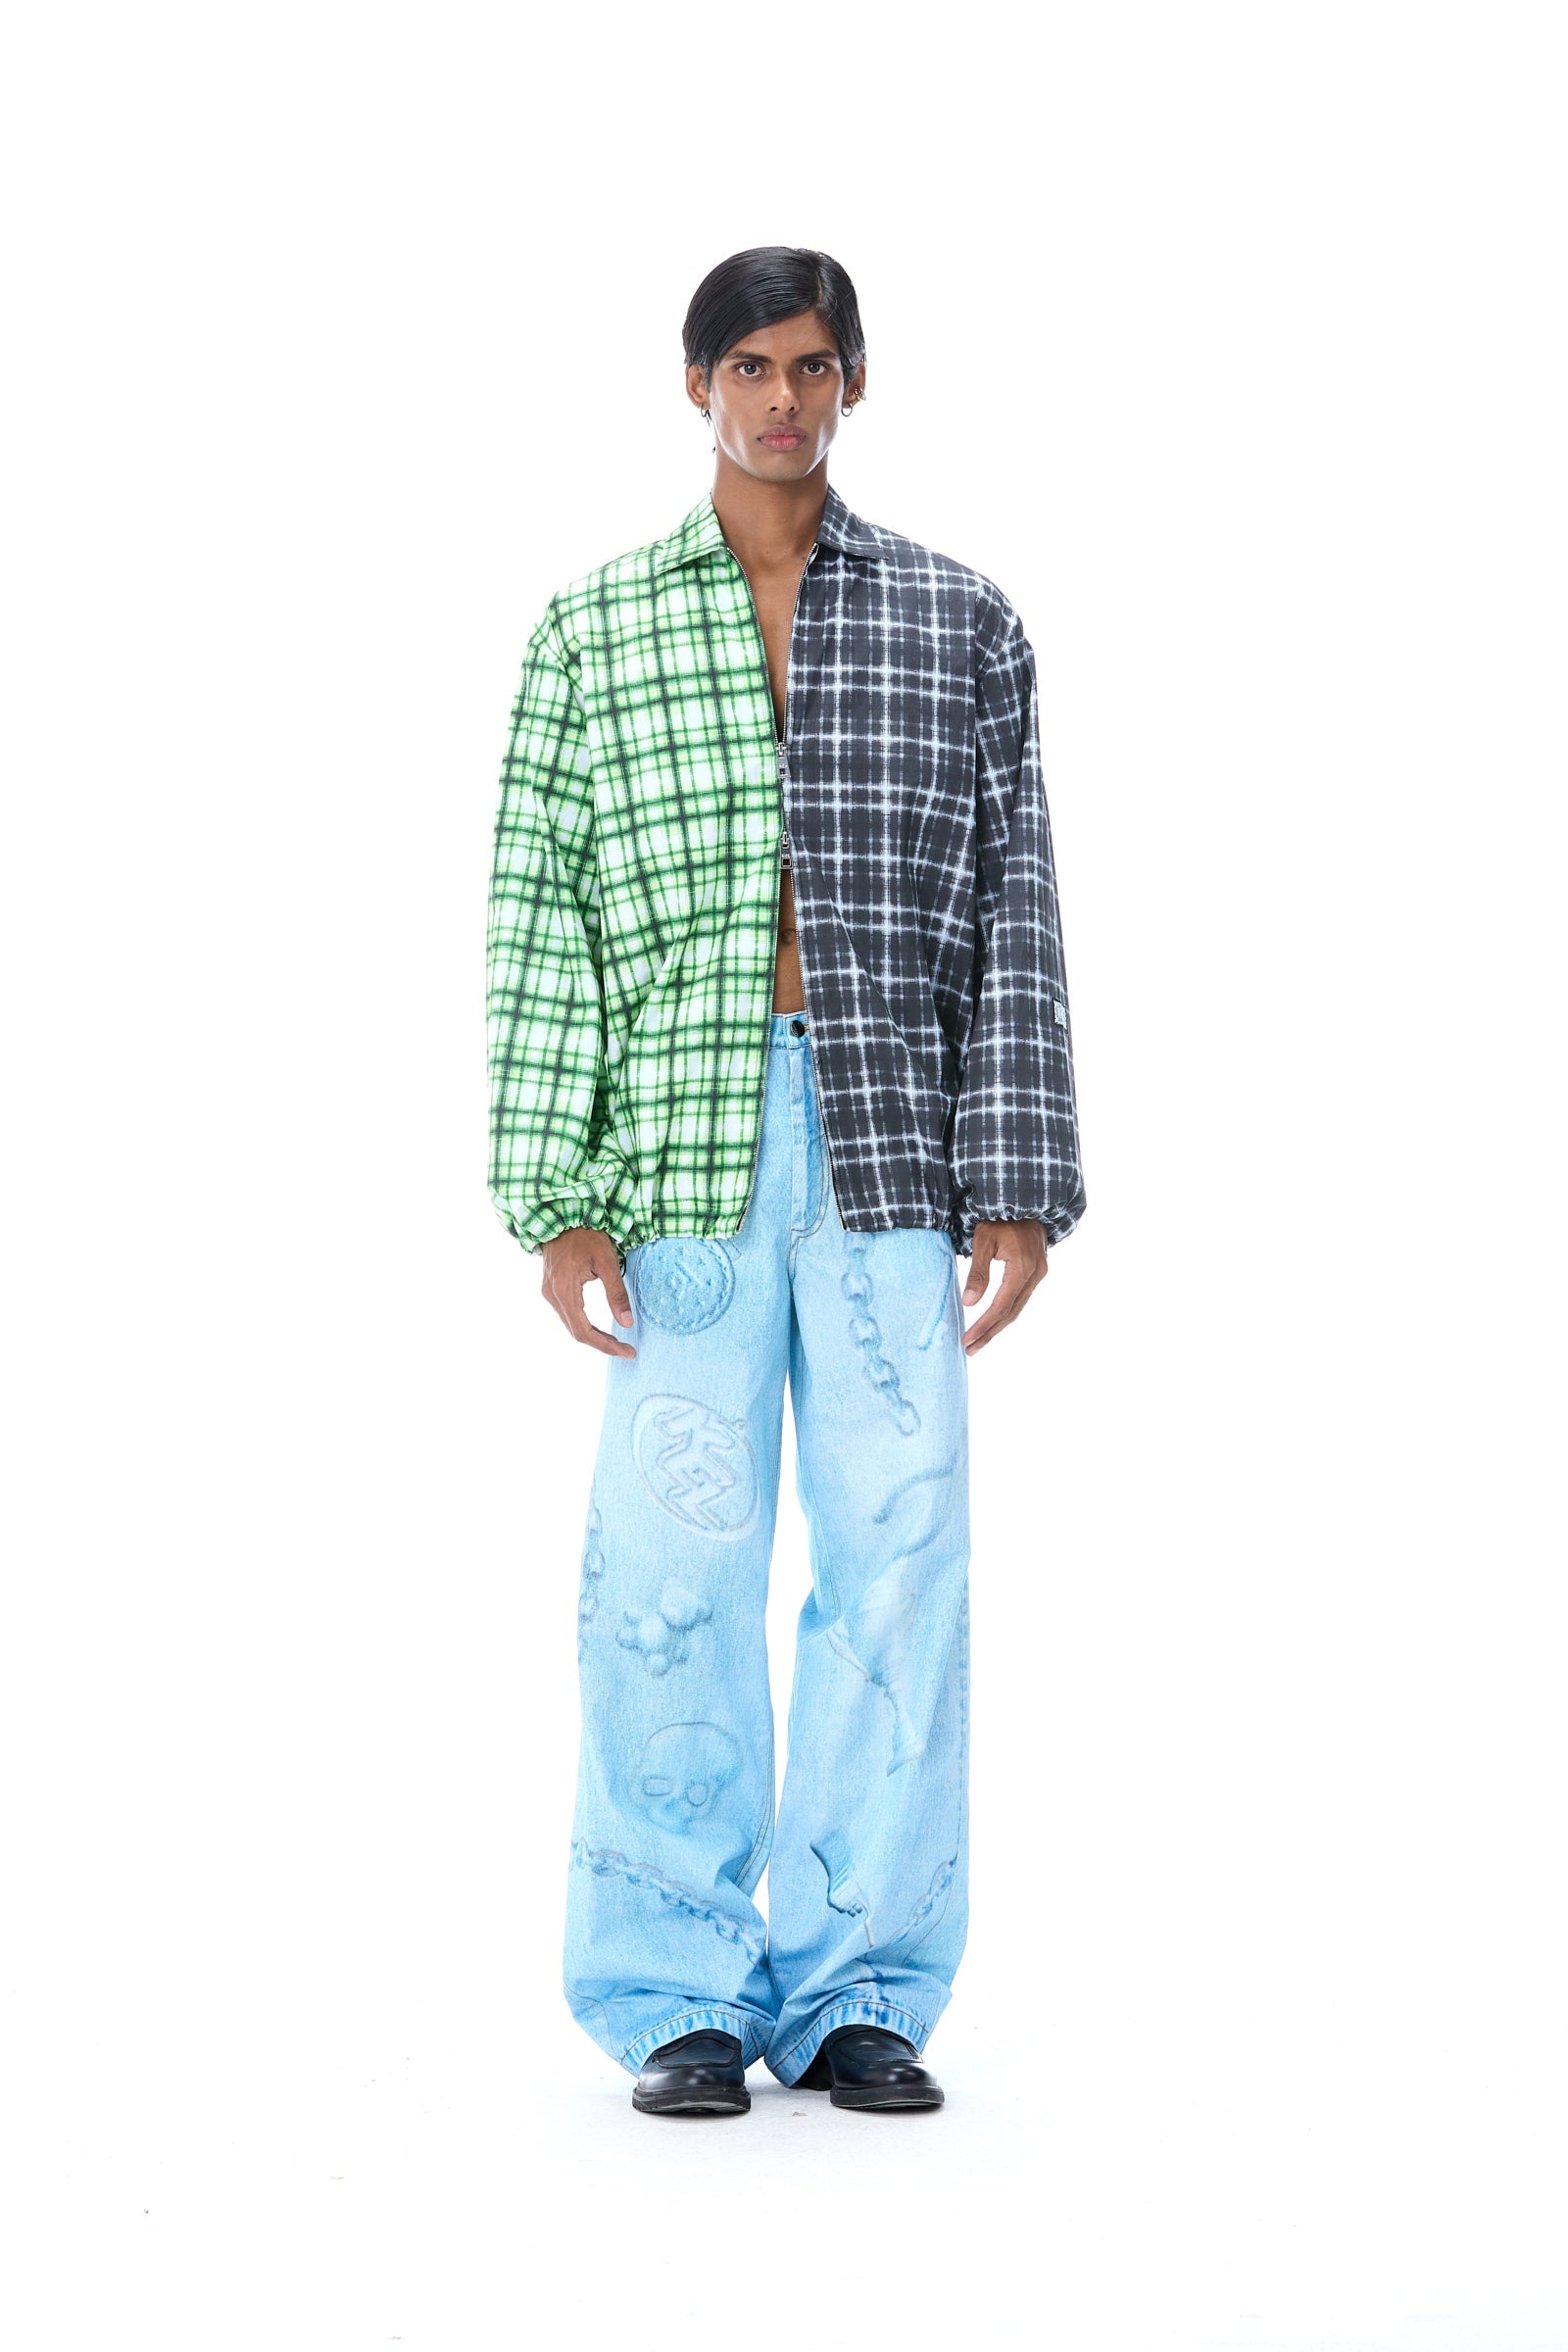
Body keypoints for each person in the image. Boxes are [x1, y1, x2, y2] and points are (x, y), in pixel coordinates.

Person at [486, 246, 1085, 2117]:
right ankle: (672, 1983)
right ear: (696, 386)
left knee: (899, 1558)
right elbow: (541, 917)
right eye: (748, 366)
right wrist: (555, 1189)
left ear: (854, 383)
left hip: (895, 1137)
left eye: (813, 365)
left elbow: (1013, 909)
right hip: (681, 1144)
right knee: (670, 1570)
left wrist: (1020, 1176)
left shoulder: (960, 623)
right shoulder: (593, 632)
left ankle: (860, 1989)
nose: (782, 400)